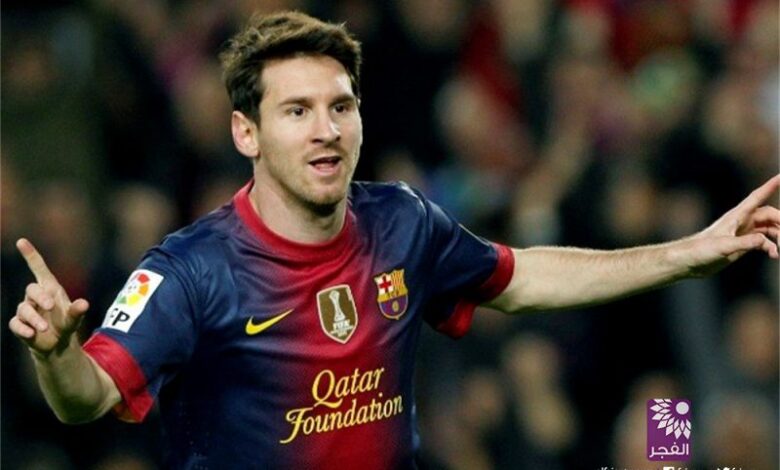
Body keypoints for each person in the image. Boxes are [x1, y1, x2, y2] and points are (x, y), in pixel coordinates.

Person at [9, 11, 779, 470]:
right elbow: (88, 398)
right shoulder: (188, 271)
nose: (326, 129)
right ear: (246, 132)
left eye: (340, 106)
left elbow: (523, 278)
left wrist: (688, 253)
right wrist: (56, 356)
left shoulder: (404, 223)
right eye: (297, 111)